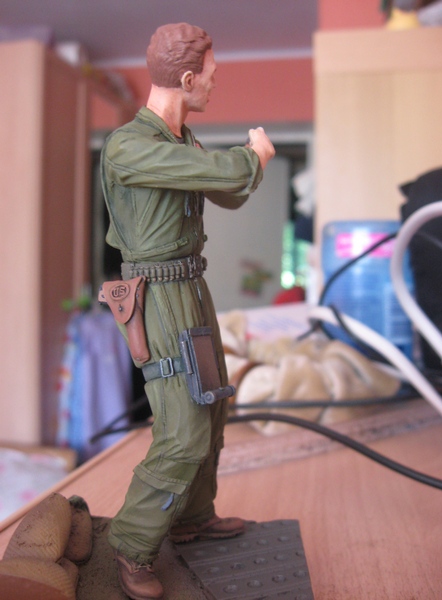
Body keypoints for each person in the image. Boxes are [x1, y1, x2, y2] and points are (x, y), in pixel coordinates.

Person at [100, 22, 275, 600]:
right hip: (157, 296)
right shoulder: (130, 146)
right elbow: (227, 175)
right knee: (182, 427)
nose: (215, 84)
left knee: (212, 405)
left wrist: (246, 167)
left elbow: (226, 191)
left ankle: (193, 516)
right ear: (187, 79)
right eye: (211, 76)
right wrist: (250, 157)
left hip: (191, 288)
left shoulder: (181, 142)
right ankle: (132, 543)